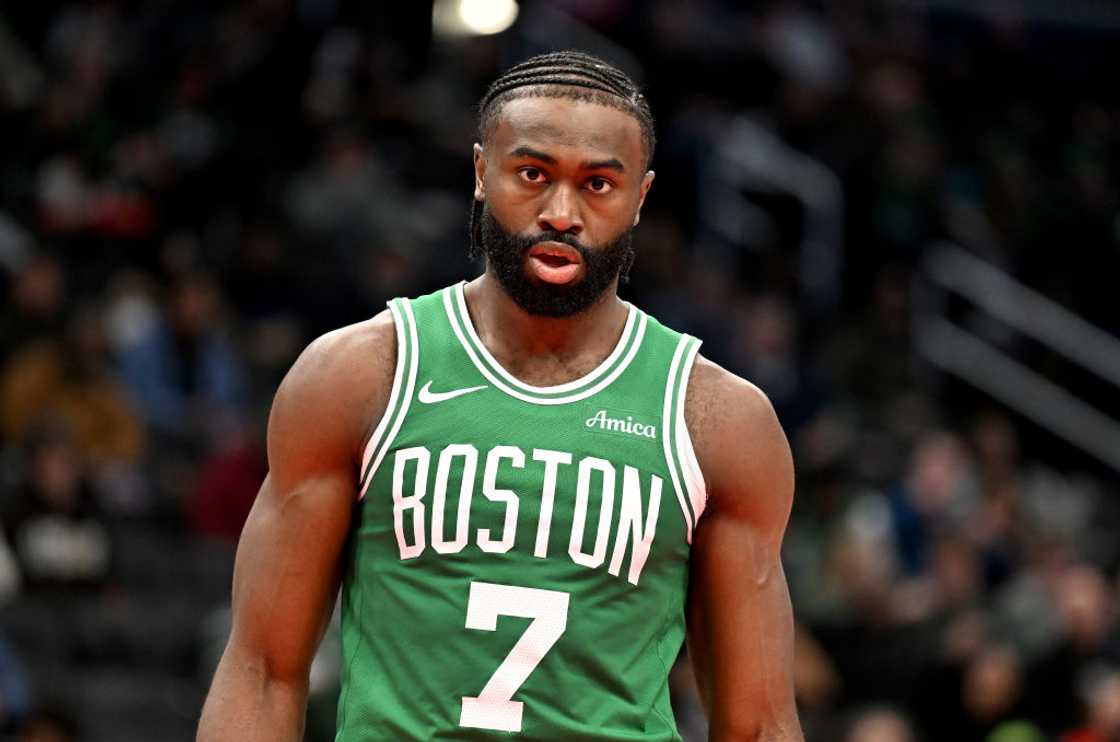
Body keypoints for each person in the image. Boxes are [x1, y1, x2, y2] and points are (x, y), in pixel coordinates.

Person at [197, 50, 802, 741]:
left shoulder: (716, 420)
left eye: (599, 184)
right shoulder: (362, 375)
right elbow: (263, 670)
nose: (562, 212)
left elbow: (758, 726)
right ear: (482, 171)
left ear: (641, 197)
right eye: (534, 174)